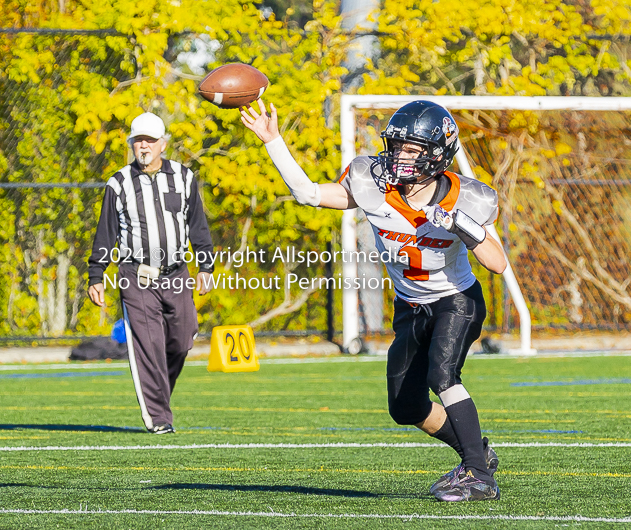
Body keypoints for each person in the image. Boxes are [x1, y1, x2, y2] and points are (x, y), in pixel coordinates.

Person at [241, 99, 507, 501]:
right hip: (410, 305)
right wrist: (274, 141)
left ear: (437, 154)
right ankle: (476, 454)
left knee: (442, 375)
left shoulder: (467, 198)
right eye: (397, 146)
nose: (400, 157)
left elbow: (498, 263)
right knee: (405, 406)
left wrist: (463, 226)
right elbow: (308, 193)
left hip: (456, 301)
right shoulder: (374, 185)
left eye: (413, 149)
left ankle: (479, 478)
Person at [87, 112, 215, 434]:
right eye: (138, 140)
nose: (143, 145)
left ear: (163, 144)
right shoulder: (118, 183)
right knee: (149, 346)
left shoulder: (184, 178)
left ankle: (159, 393)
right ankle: (159, 419)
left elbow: (197, 225)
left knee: (183, 340)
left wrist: (205, 265)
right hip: (136, 274)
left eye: (150, 140)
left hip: (176, 272)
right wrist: (96, 274)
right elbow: (106, 232)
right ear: (131, 144)